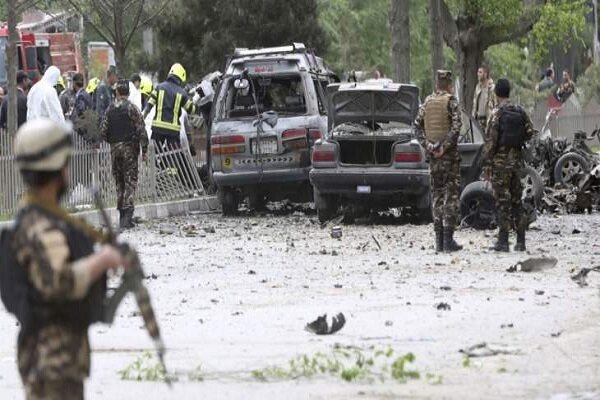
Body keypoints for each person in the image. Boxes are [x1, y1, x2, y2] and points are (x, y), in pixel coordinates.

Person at [1, 118, 125, 399]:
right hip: (51, 363)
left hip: (57, 359)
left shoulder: (43, 218)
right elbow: (60, 281)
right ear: (57, 169)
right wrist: (103, 261)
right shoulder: (39, 226)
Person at [481, 78, 535, 252]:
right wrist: (517, 143)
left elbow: (490, 142)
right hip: (517, 162)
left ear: (496, 94)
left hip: (500, 164)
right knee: (516, 201)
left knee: (502, 202)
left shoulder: (496, 114)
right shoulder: (521, 111)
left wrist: (487, 165)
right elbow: (530, 131)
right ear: (509, 92)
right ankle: (521, 241)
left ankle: (503, 241)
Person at [414, 70, 463, 253]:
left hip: (433, 158)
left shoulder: (427, 102)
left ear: (436, 85)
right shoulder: (451, 101)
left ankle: (438, 242)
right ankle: (448, 240)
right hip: (448, 158)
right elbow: (457, 126)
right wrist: (445, 146)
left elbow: (416, 126)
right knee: (450, 196)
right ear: (449, 85)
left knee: (436, 196)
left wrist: (428, 145)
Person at [100, 80, 148, 229]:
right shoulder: (132, 109)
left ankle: (122, 215)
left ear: (117, 93)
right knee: (130, 181)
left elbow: (103, 131)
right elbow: (141, 130)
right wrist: (144, 150)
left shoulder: (109, 110)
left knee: (119, 182)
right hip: (129, 150)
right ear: (127, 93)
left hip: (115, 150)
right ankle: (127, 217)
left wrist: (113, 143)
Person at [143, 63, 196, 146]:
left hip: (158, 129)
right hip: (173, 131)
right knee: (173, 155)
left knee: (155, 154)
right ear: (180, 78)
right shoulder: (181, 92)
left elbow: (148, 106)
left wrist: (142, 120)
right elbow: (191, 110)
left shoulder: (158, 87)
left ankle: (157, 159)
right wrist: (193, 98)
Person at [472, 66, 496, 130]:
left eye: (480, 72)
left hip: (488, 121)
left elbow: (495, 105)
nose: (478, 74)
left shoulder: (492, 88)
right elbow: (474, 104)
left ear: (485, 74)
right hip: (478, 120)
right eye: (478, 72)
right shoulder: (478, 87)